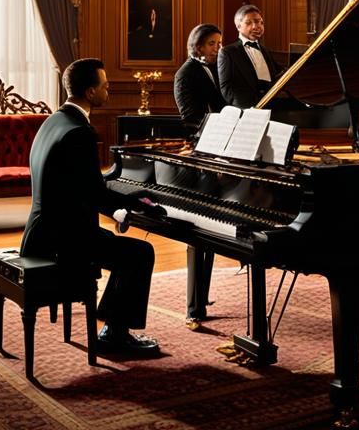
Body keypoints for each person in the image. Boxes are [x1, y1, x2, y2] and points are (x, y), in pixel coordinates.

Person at [20, 58, 164, 355]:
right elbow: (95, 194)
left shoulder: (54, 121)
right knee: (140, 254)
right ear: (89, 92)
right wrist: (136, 202)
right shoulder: (79, 132)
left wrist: (124, 206)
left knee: (126, 251)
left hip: (42, 231)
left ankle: (113, 326)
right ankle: (115, 336)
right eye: (105, 85)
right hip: (64, 239)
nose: (108, 89)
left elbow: (81, 186)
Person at [217, 4, 284, 109]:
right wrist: (245, 108)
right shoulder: (228, 52)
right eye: (248, 23)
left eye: (258, 22)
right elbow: (226, 88)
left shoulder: (265, 51)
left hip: (271, 108)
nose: (255, 26)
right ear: (238, 26)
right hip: (246, 110)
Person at [173, 23, 226, 127]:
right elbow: (189, 116)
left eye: (219, 43)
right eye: (211, 44)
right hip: (202, 134)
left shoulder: (218, 67)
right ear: (198, 46)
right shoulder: (184, 74)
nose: (217, 48)